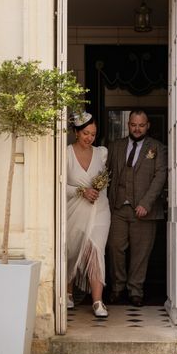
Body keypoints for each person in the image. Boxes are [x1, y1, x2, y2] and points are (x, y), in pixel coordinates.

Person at [106, 109, 167, 307]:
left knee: (141, 253)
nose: (137, 129)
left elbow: (160, 177)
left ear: (148, 125)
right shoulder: (115, 146)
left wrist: (145, 203)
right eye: (133, 125)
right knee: (115, 249)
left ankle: (135, 290)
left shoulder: (158, 148)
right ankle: (117, 288)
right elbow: (106, 174)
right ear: (128, 125)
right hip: (118, 208)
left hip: (144, 211)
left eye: (141, 125)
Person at [66, 112, 110, 318]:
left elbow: (105, 181)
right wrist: (80, 191)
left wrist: (98, 189)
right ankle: (67, 294)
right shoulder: (66, 154)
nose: (89, 138)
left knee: (97, 250)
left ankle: (97, 301)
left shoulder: (102, 153)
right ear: (76, 132)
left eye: (93, 134)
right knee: (72, 249)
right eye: (85, 133)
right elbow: (58, 185)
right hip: (74, 209)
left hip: (99, 210)